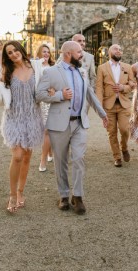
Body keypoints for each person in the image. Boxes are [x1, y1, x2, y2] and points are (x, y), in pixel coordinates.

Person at [36, 41, 108, 215]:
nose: (82, 55)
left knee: (79, 159)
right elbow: (39, 94)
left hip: (79, 123)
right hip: (59, 124)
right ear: (68, 54)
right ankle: (63, 195)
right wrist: (60, 95)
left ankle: (78, 196)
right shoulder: (51, 72)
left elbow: (89, 94)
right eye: (79, 52)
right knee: (61, 162)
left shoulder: (82, 71)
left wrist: (103, 114)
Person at [0, 41, 45, 213]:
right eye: (9, 53)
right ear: (7, 56)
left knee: (26, 157)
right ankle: (11, 195)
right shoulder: (6, 72)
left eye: (15, 50)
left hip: (33, 118)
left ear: (21, 50)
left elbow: (47, 84)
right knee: (17, 156)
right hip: (14, 118)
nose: (13, 54)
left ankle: (20, 192)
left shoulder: (37, 67)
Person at [95, 44, 136, 167]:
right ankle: (117, 157)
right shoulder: (102, 68)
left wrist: (124, 87)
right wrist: (100, 108)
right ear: (109, 52)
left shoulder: (127, 67)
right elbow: (99, 88)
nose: (118, 51)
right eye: (115, 49)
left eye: (120, 49)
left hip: (124, 104)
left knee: (125, 129)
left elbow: (132, 84)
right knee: (111, 132)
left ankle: (124, 147)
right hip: (108, 106)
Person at [36, 43, 55, 172]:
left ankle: (43, 159)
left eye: (48, 52)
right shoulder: (35, 67)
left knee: (48, 130)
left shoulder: (53, 67)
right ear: (39, 53)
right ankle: (48, 152)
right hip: (39, 101)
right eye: (43, 52)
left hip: (51, 101)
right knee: (44, 131)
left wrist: (54, 88)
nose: (46, 54)